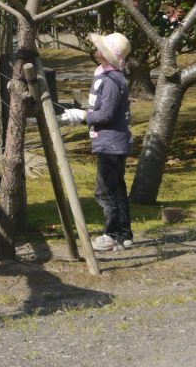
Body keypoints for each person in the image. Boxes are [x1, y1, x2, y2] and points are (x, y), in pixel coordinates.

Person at [61, 32, 133, 252]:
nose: (95, 48)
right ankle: (124, 234)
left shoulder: (112, 80)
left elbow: (106, 115)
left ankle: (111, 234)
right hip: (108, 141)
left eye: (100, 46)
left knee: (105, 191)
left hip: (111, 142)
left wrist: (83, 116)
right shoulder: (104, 74)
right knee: (116, 188)